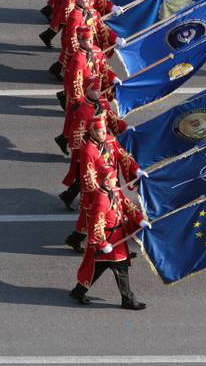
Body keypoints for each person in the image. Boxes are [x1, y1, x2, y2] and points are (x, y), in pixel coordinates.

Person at [62, 113, 145, 252]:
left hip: (111, 184)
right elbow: (88, 176)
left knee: (112, 216)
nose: (104, 134)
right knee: (96, 219)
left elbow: (123, 155)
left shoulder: (110, 141)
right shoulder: (88, 151)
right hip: (96, 191)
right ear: (93, 132)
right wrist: (101, 194)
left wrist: (136, 170)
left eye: (105, 130)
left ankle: (113, 245)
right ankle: (90, 243)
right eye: (100, 131)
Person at [70, 169, 150, 310]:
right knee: (121, 268)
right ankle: (127, 299)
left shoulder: (115, 191)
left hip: (117, 237)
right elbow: (96, 224)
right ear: (106, 182)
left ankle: (79, 291)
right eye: (114, 178)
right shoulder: (101, 201)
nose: (117, 180)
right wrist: (102, 244)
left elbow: (127, 205)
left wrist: (140, 220)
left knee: (99, 267)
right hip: (109, 240)